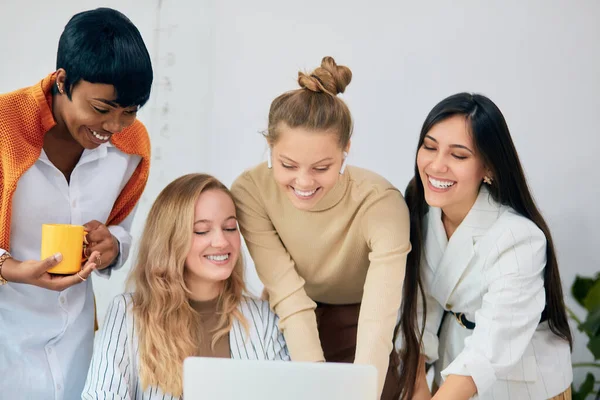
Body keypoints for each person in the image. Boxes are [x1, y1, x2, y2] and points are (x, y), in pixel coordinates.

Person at [231, 56, 411, 399]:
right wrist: (312, 384)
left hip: (360, 326)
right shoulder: (250, 191)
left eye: (321, 167)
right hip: (286, 321)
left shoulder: (381, 205)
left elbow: (377, 320)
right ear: (270, 147)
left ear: (345, 150)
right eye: (288, 165)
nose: (303, 181)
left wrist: (362, 392)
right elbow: (287, 294)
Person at [0, 8, 153, 399]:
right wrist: (10, 268)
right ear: (62, 81)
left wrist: (113, 245)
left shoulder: (132, 149)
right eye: (101, 109)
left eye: (130, 112)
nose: (115, 126)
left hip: (79, 350)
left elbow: (121, 230)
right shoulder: (4, 128)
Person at [397, 93, 573, 399]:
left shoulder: (518, 238)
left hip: (521, 386)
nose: (437, 165)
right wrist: (417, 383)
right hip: (454, 368)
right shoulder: (422, 214)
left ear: (489, 168)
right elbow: (418, 307)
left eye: (459, 155)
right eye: (429, 147)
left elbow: (493, 343)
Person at [82, 173, 289, 399]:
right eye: (201, 230)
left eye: (230, 227)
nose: (221, 242)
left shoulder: (264, 319)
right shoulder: (129, 314)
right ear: (171, 239)